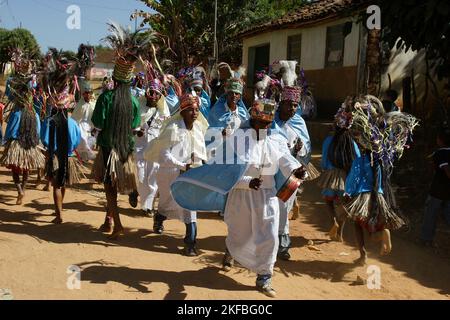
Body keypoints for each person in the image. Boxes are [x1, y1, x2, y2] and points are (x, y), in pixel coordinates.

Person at [170, 99, 306, 297]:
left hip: (267, 197)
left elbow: (285, 160)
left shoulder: (275, 138)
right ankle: (232, 251)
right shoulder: (238, 139)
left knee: (269, 236)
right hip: (241, 196)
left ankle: (264, 276)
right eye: (261, 124)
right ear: (253, 120)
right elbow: (227, 172)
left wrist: (297, 170)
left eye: (268, 124)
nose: (265, 128)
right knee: (240, 236)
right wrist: (247, 181)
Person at [91, 23, 146, 239]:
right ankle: (108, 221)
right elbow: (135, 126)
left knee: (109, 189)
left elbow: (98, 123)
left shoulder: (105, 98)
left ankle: (119, 225)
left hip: (107, 148)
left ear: (114, 78)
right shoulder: (132, 101)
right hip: (126, 149)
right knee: (115, 186)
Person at [144, 93, 208, 256]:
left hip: (190, 175)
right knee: (167, 202)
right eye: (191, 110)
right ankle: (160, 217)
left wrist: (197, 163)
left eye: (197, 110)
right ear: (183, 111)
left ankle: (190, 243)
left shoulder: (198, 129)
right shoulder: (173, 129)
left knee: (189, 206)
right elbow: (163, 155)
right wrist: (182, 166)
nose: (195, 113)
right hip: (170, 173)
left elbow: (200, 152)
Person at [271, 85, 315, 260]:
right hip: (271, 171)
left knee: (284, 207)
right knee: (272, 206)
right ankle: (269, 241)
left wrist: (299, 148)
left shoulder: (299, 122)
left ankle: (282, 246)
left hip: (292, 173)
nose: (292, 109)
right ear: (280, 104)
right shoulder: (270, 121)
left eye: (295, 105)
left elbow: (306, 147)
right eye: (289, 104)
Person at [317, 99, 358, 242]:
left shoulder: (329, 140)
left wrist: (324, 168)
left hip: (331, 174)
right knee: (342, 204)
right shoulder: (351, 142)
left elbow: (324, 158)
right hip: (345, 177)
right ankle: (340, 233)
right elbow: (357, 159)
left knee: (328, 200)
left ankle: (333, 220)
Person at [1, 74, 45, 204]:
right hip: (30, 144)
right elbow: (38, 132)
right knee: (26, 168)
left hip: (16, 144)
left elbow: (10, 131)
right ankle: (24, 189)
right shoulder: (34, 114)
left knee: (15, 170)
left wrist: (7, 143)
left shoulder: (16, 113)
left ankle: (19, 189)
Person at [133, 78, 170, 217]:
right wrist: (137, 131)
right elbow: (131, 126)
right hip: (139, 147)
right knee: (141, 177)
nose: (154, 97)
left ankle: (148, 206)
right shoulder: (138, 108)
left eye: (157, 94)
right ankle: (140, 197)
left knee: (153, 177)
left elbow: (167, 130)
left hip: (155, 149)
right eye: (152, 93)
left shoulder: (163, 112)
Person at [420, 127, 450, 246]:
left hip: (437, 191)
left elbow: (446, 170)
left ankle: (426, 239)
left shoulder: (440, 153)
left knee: (430, 215)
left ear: (440, 140)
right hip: (448, 192)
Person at [72, 82, 96, 161]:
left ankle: (85, 157)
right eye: (86, 93)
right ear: (83, 94)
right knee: (83, 140)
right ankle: (82, 156)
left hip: (90, 125)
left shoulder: (93, 104)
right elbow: (75, 116)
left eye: (89, 93)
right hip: (81, 125)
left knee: (89, 141)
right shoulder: (80, 104)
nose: (88, 95)